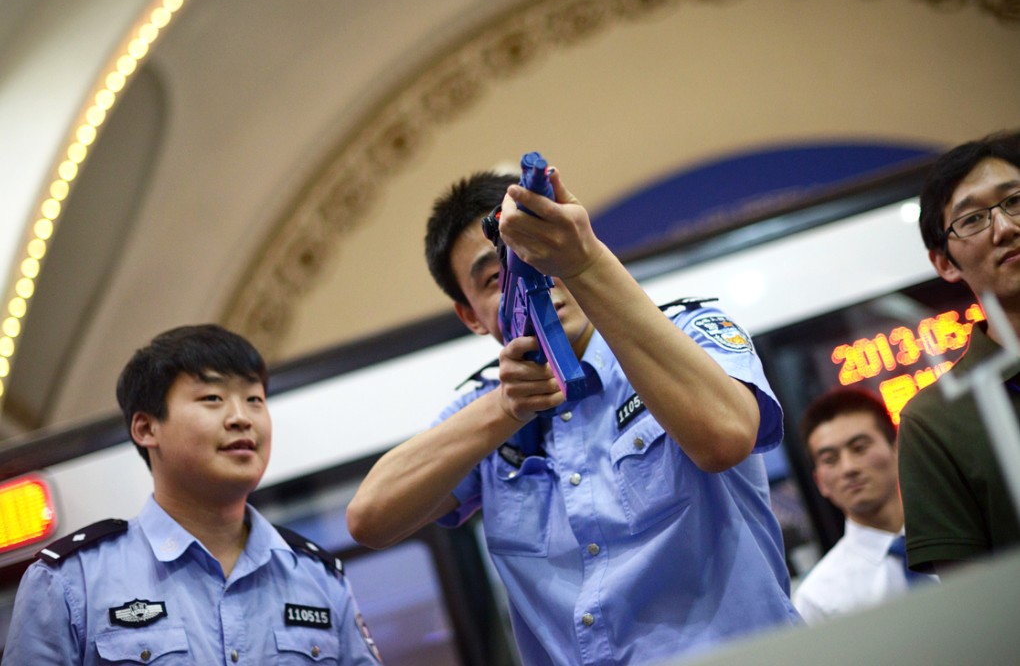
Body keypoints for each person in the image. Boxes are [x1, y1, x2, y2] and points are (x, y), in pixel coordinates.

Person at [346, 165, 800, 665]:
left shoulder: (687, 332)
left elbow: (727, 438)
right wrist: (504, 410)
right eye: (497, 277)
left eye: (538, 253)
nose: (530, 281)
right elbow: (370, 518)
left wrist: (585, 266)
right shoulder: (488, 407)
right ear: (471, 315)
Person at [4, 324, 382, 665]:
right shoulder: (72, 581)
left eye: (254, 399)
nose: (241, 417)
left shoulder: (317, 579)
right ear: (147, 428)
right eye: (213, 398)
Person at [898, 129, 1020, 577]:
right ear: (945, 263)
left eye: (1015, 200)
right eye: (972, 220)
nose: (1006, 227)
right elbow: (973, 607)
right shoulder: (934, 421)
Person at [792, 388, 933, 624]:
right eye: (830, 460)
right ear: (820, 482)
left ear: (897, 448)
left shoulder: (966, 536)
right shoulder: (817, 599)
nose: (848, 468)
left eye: (859, 448)